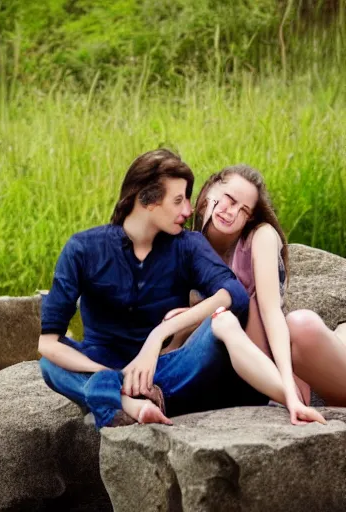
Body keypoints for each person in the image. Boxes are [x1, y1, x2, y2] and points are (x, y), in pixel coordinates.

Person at [38, 149, 268, 430]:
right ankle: (126, 400)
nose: (188, 210)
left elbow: (234, 295)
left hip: (167, 370)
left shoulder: (187, 245)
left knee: (220, 326)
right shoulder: (83, 249)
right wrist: (117, 376)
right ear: (147, 199)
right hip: (102, 364)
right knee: (49, 365)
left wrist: (158, 336)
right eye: (178, 200)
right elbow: (47, 343)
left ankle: (111, 397)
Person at [165, 164, 337, 425]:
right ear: (208, 191)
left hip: (269, 370)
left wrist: (287, 384)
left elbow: (270, 313)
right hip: (227, 375)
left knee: (299, 324)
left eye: (243, 210)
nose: (231, 212)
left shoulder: (259, 237)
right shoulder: (185, 247)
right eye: (229, 199)